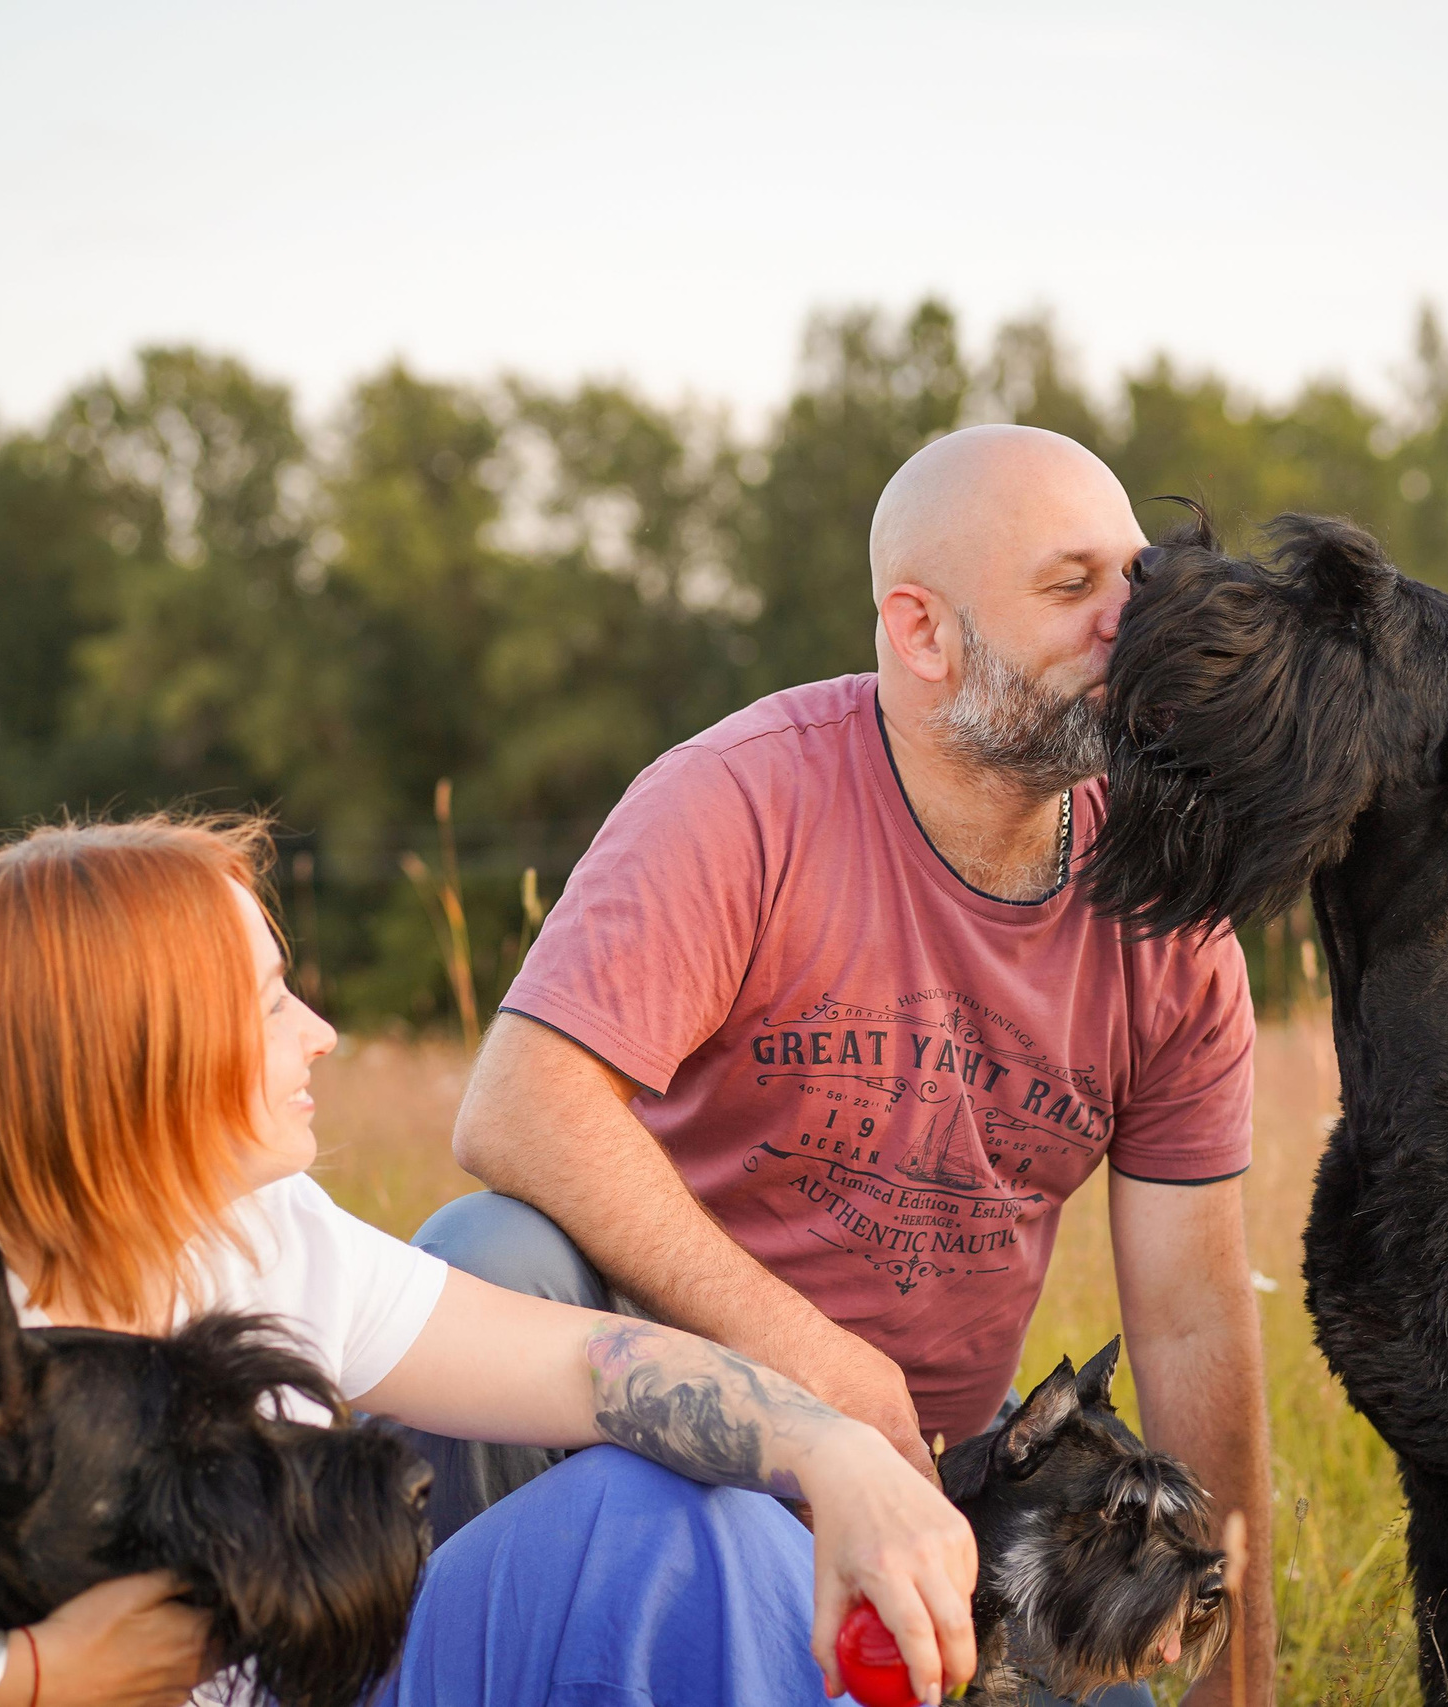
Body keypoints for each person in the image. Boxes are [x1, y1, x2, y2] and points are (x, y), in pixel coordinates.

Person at [0, 817, 975, 1707]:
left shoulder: (259, 1230)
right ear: (140, 1056)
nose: (324, 1032)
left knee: (660, 1523)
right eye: (270, 1000)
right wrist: (29, 1675)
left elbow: (593, 1363)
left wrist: (833, 1447)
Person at [409, 424, 1276, 1706]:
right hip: (668, 1410)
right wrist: (807, 1365)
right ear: (921, 633)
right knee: (486, 1260)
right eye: (1069, 586)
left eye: (1133, 584)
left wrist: (1235, 1698)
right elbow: (518, 1105)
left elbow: (1196, 1317)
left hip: (937, 1480)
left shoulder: (1168, 910)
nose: (1126, 625)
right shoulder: (739, 801)